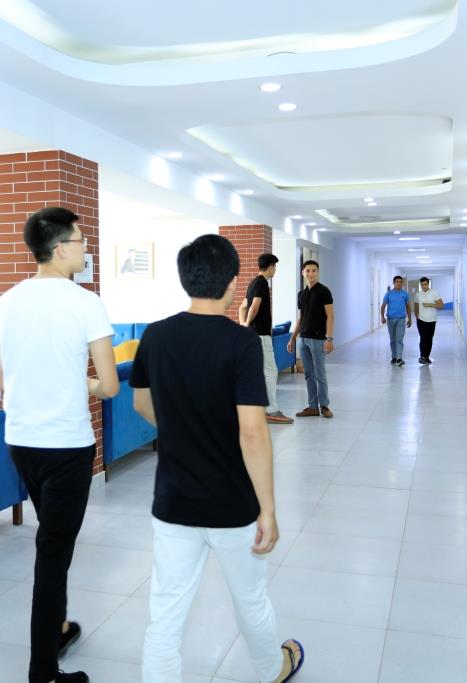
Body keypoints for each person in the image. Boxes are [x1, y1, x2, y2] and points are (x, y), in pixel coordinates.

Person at [131, 234, 304, 683]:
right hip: (233, 504)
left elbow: (141, 403)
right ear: (231, 283)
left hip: (173, 501)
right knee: (250, 600)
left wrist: (179, 427)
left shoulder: (155, 335)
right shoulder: (241, 342)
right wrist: (268, 508)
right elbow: (253, 431)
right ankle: (272, 669)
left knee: (166, 614)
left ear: (185, 279)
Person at [0, 206, 119, 683]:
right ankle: (43, 672)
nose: (85, 248)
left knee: (53, 541)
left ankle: (57, 628)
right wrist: (79, 383)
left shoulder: (7, 301)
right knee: (53, 553)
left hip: (21, 443)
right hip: (66, 447)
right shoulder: (86, 302)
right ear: (61, 248)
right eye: (81, 241)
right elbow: (109, 385)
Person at [238, 253, 294, 425]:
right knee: (271, 371)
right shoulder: (262, 283)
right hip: (261, 336)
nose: (275, 270)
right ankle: (271, 410)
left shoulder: (252, 283)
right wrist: (247, 324)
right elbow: (254, 307)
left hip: (253, 335)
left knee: (260, 372)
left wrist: (244, 326)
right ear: (270, 267)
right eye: (275, 267)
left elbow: (242, 307)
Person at [287, 260, 335, 418]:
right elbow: (301, 318)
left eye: (314, 270)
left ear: (318, 272)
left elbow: (330, 316)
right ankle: (313, 406)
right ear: (303, 273)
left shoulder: (324, 291)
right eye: (307, 270)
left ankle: (325, 406)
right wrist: (293, 338)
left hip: (318, 339)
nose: (311, 273)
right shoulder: (301, 294)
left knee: (320, 373)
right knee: (308, 374)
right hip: (303, 339)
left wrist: (329, 339)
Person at [380, 275, 411, 367]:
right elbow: (383, 306)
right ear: (393, 283)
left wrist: (410, 318)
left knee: (399, 339)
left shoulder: (405, 294)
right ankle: (394, 356)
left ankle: (399, 358)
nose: (399, 283)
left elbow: (408, 307)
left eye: (400, 282)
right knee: (393, 340)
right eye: (397, 282)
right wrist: (382, 317)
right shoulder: (389, 294)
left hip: (401, 319)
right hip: (390, 319)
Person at [413, 276, 444, 365]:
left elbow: (441, 305)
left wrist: (430, 305)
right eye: (422, 285)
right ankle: (422, 356)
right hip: (421, 320)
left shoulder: (434, 293)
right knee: (423, 338)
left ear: (428, 284)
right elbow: (416, 307)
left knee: (429, 339)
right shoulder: (418, 294)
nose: (424, 286)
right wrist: (417, 317)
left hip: (432, 320)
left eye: (425, 284)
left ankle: (426, 357)